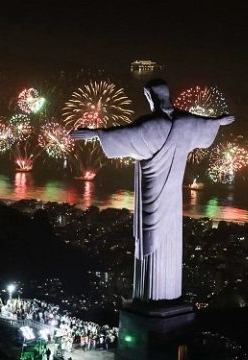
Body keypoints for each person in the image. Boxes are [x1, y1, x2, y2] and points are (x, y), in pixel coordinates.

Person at [70, 78, 234, 301]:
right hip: (173, 201)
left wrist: (97, 134)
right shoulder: (185, 123)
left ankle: (150, 299)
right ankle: (167, 297)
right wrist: (218, 121)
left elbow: (124, 135)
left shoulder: (150, 126)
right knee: (169, 242)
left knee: (150, 241)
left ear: (149, 97)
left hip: (151, 194)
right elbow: (204, 124)